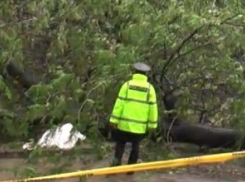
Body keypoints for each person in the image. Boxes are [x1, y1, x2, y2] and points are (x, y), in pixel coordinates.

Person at [109, 62, 158, 175]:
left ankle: (115, 167)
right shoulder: (150, 89)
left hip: (124, 124)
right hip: (139, 126)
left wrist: (113, 120)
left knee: (120, 144)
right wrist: (152, 125)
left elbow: (119, 103)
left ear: (134, 72)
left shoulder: (127, 85)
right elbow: (153, 108)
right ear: (146, 74)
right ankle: (130, 169)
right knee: (135, 146)